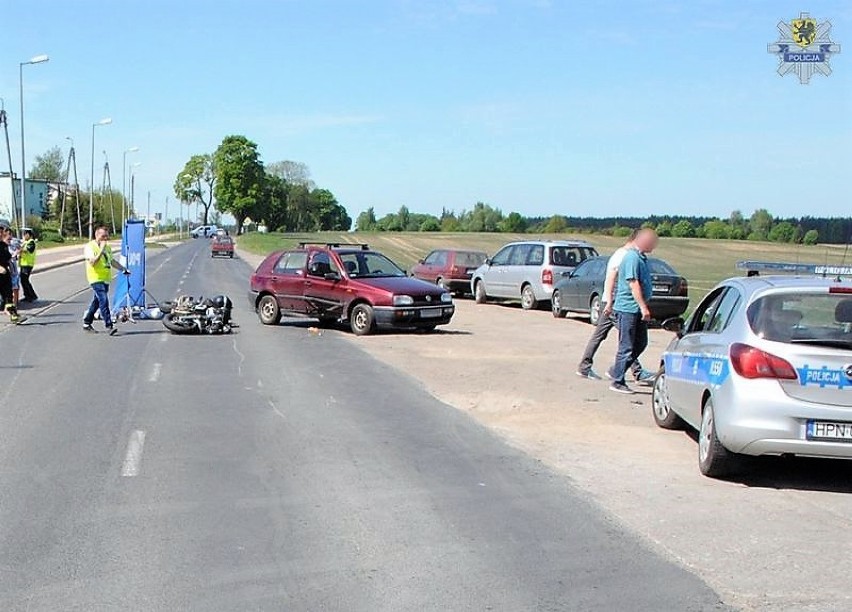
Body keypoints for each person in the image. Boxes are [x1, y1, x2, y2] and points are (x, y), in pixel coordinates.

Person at [576, 229, 653, 383]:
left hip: (613, 302)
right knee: (628, 340)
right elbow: (611, 279)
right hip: (614, 303)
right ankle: (628, 372)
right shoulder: (623, 255)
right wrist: (610, 302)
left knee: (605, 336)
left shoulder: (626, 255)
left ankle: (585, 365)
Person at [607, 228, 659, 394]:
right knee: (626, 346)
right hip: (628, 309)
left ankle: (616, 369)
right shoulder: (631, 257)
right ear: (642, 240)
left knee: (641, 343)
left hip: (635, 310)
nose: (654, 245)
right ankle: (617, 381)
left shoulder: (641, 258)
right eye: (651, 241)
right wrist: (643, 307)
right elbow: (633, 284)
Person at [82, 226, 129, 335]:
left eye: (107, 236)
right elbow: (93, 262)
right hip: (95, 278)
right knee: (103, 300)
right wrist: (101, 250)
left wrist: (123, 269)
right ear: (96, 235)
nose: (105, 239)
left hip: (105, 279)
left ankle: (86, 322)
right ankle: (109, 325)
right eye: (103, 236)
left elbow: (112, 261)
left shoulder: (107, 248)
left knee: (96, 302)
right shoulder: (90, 247)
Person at [0, 221, 20, 323]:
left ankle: (14, 315)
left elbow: (8, 257)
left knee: (8, 296)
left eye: (1, 232)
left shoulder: (3, 245)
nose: (1, 234)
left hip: (5, 275)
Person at [18, 229, 37, 302]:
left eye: (25, 234)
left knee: (24, 280)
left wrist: (20, 249)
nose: (24, 236)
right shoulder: (26, 242)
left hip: (27, 264)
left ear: (29, 235)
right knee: (24, 280)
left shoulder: (31, 242)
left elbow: (29, 250)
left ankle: (30, 296)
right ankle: (30, 295)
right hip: (24, 264)